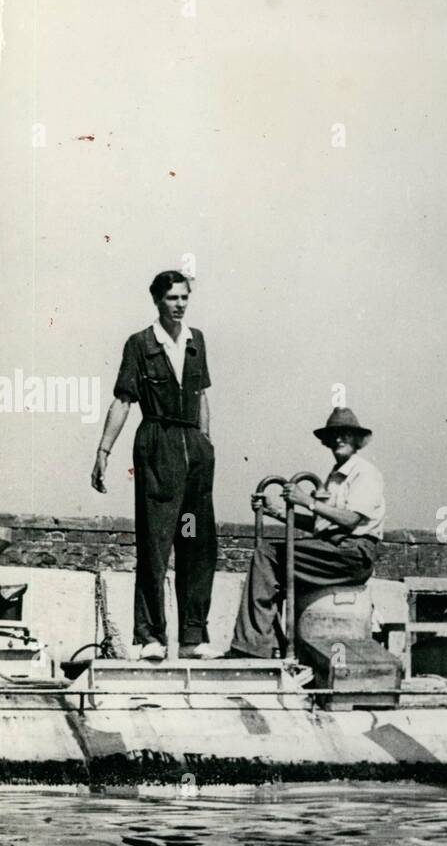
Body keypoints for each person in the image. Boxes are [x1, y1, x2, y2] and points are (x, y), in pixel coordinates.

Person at [91, 271, 218, 660]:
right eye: (171, 298)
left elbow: (203, 398)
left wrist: (206, 444)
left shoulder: (197, 342)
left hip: (193, 455)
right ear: (157, 301)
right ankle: (151, 637)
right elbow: (123, 401)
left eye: (184, 298)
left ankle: (193, 637)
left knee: (194, 540)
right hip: (157, 449)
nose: (179, 305)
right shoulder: (140, 344)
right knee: (155, 542)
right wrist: (103, 451)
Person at [230, 407, 384, 659]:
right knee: (270, 562)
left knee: (267, 556)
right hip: (335, 549)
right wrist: (277, 512)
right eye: (334, 435)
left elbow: (350, 519)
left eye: (345, 434)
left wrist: (306, 500)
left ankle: (252, 648)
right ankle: (271, 645)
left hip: (353, 553)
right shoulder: (335, 476)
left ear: (357, 440)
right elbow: (322, 524)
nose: (339, 440)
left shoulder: (364, 473)